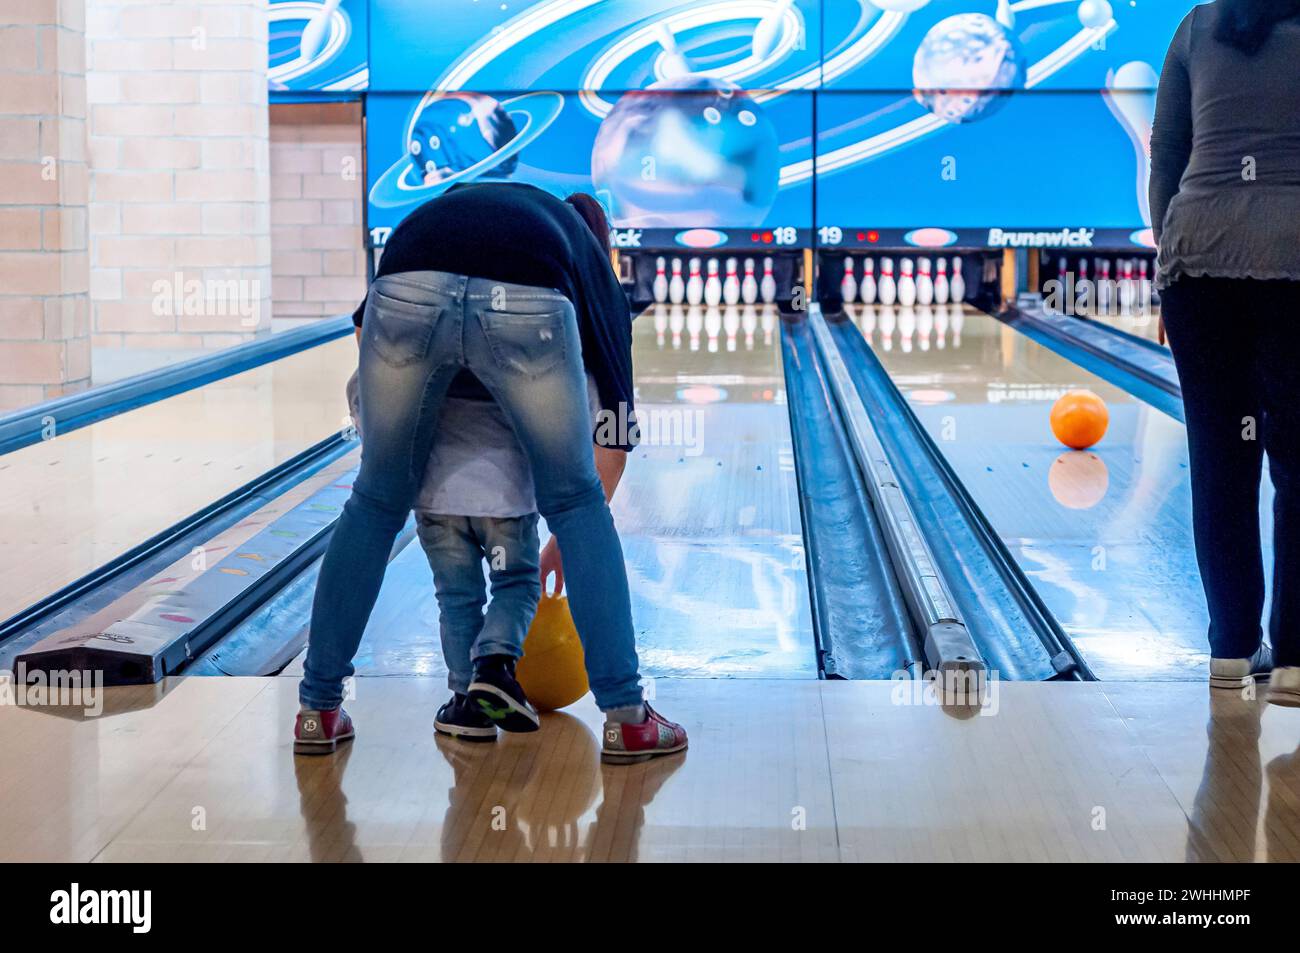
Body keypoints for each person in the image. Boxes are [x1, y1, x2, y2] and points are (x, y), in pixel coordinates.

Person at [293, 183, 687, 762]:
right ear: (604, 248)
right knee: (578, 504)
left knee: (375, 502)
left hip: (405, 284)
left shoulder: (455, 209)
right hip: (527, 302)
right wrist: (562, 539)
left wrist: (413, 419)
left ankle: (318, 711)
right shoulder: (588, 260)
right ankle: (627, 717)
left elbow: (364, 332)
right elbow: (614, 433)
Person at [1150, 0, 1300, 703]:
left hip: (1201, 263)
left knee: (1220, 460)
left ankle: (1232, 652)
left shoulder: (1198, 26)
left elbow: (1167, 157)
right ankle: (1296, 659)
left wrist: (1169, 260)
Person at [342, 369, 597, 740]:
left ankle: (466, 704)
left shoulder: (430, 329)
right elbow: (575, 401)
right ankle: (495, 665)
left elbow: (361, 389)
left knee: (457, 599)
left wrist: (381, 449)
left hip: (436, 501)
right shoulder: (517, 331)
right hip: (505, 500)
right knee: (515, 584)